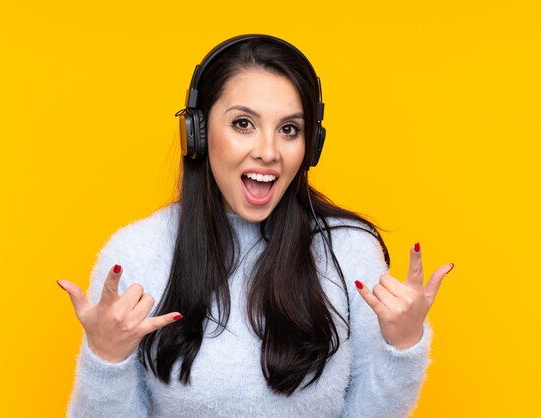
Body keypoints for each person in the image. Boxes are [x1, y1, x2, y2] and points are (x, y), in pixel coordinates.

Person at [58, 34, 454, 417]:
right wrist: (105, 360)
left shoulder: (349, 250)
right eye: (243, 123)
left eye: (289, 129)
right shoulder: (136, 254)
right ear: (196, 133)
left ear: (310, 145)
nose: (268, 152)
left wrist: (402, 347)